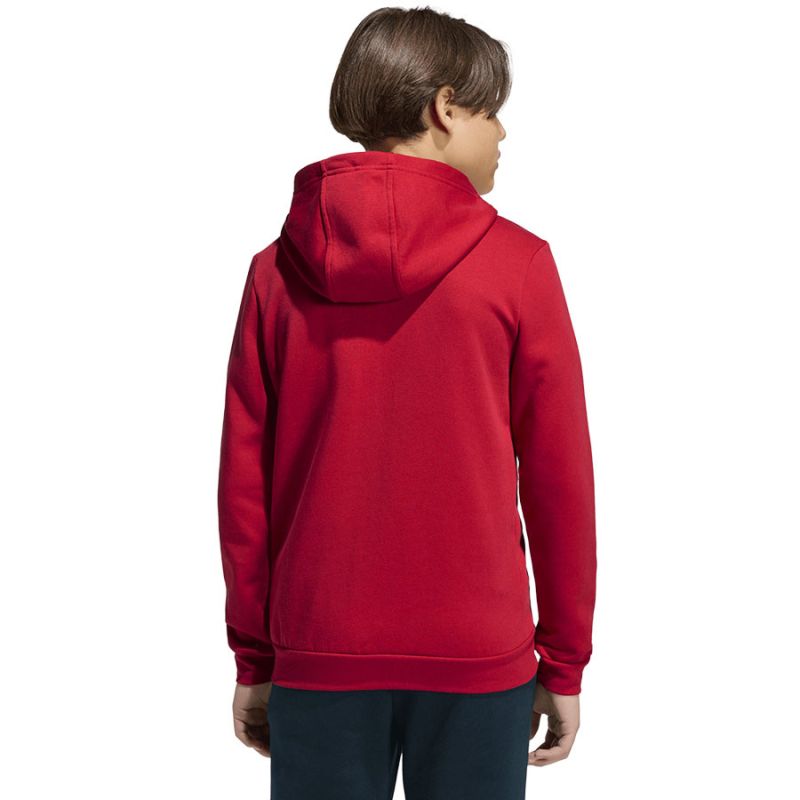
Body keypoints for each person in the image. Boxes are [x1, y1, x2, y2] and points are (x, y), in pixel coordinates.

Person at [217, 6, 597, 799]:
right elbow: (559, 483)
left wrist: (256, 657)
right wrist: (563, 661)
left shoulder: (274, 273)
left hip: (318, 650)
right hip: (478, 656)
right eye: (492, 111)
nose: (503, 132)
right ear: (445, 107)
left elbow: (245, 488)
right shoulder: (520, 266)